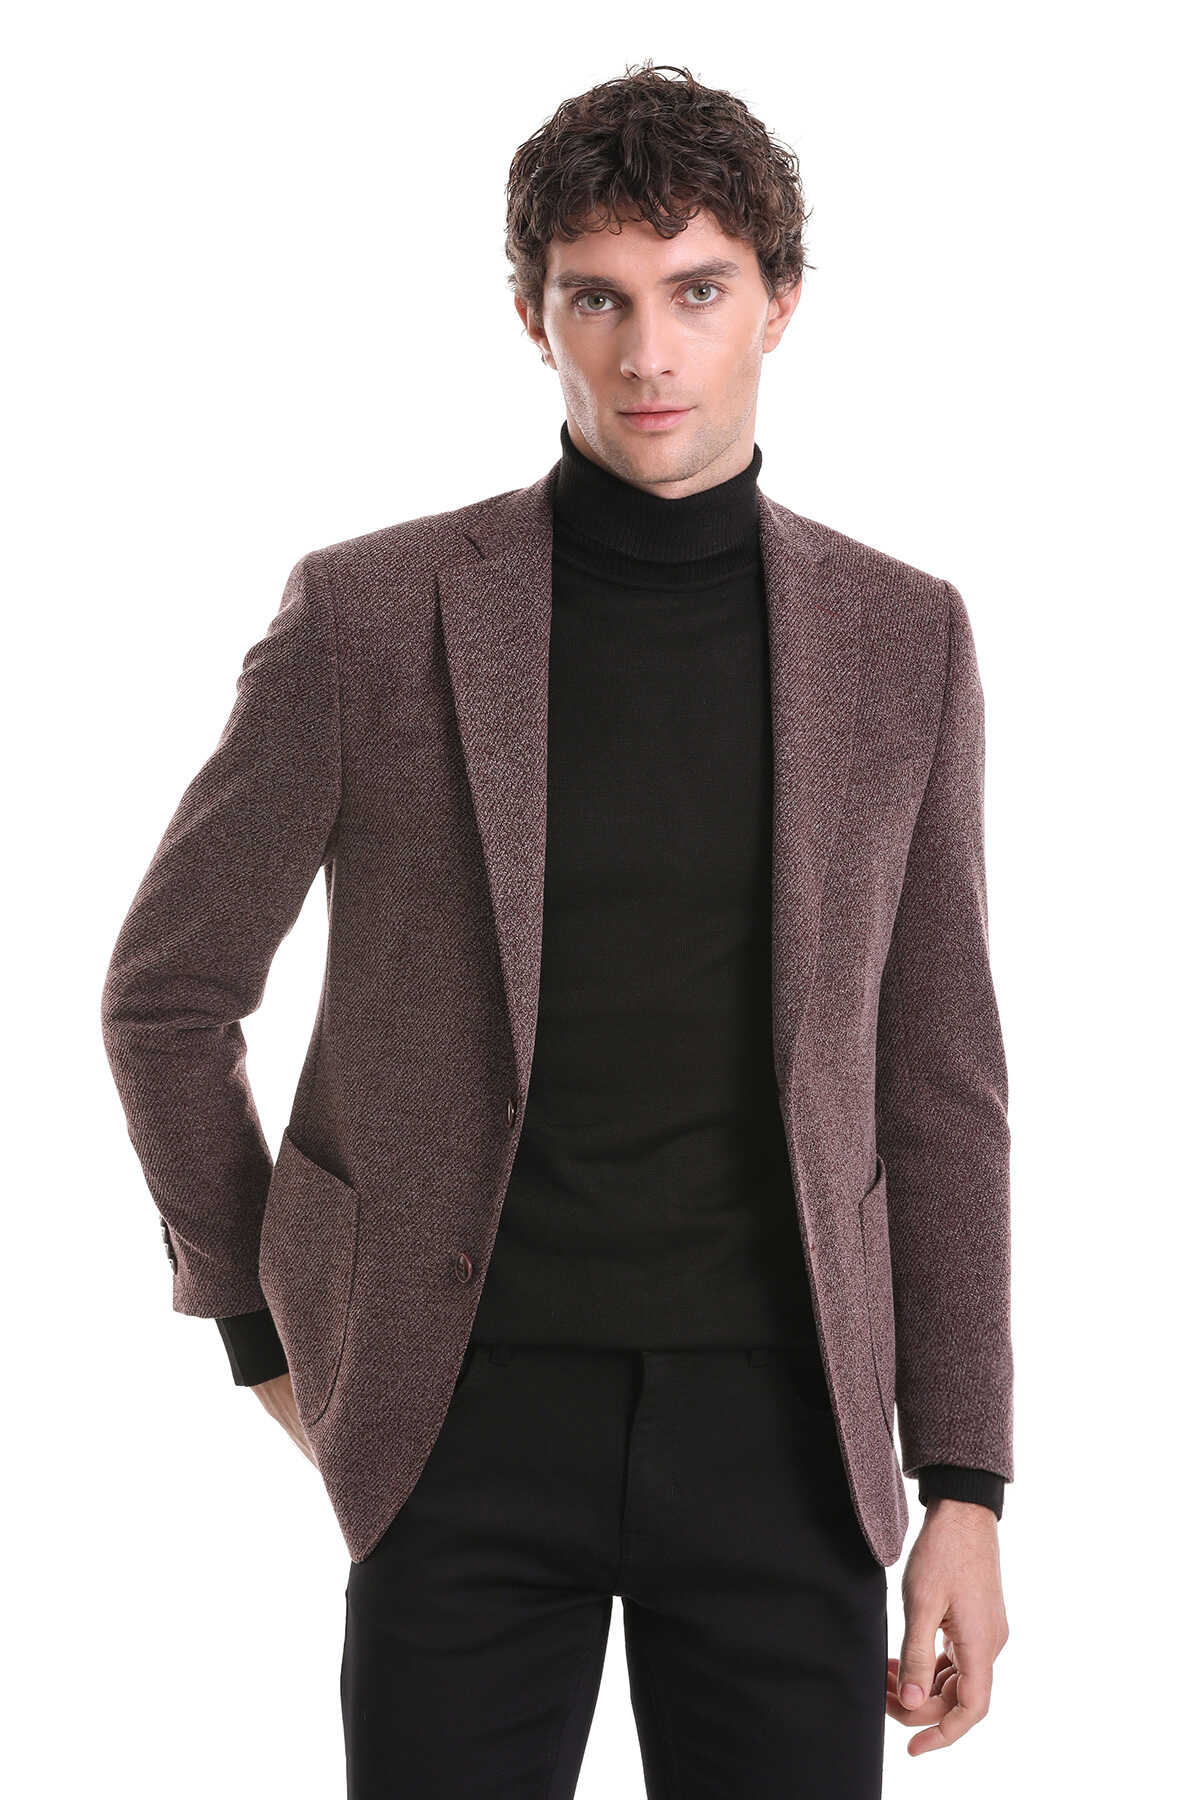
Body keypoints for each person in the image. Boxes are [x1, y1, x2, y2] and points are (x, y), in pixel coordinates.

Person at [101, 59, 1012, 1798]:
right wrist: (261, 1334)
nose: (648, 354)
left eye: (697, 293)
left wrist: (964, 1482)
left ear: (781, 302)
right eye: (598, 299)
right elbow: (165, 995)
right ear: (533, 315)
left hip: (786, 1435)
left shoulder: (907, 641)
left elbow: (942, 1081)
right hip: (459, 1421)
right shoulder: (370, 618)